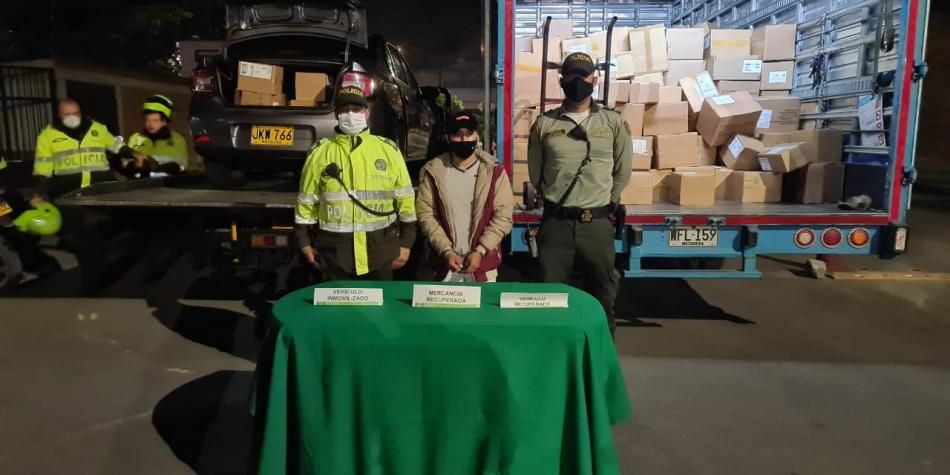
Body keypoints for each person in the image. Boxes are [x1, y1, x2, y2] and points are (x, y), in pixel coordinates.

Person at [527, 52, 633, 332]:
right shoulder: (545, 124)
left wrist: (605, 202)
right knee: (548, 300)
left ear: (594, 80)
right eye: (571, 75)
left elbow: (622, 171)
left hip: (596, 226)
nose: (577, 81)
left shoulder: (613, 122)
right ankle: (553, 355)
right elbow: (536, 173)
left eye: (583, 75)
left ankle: (600, 355)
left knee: (602, 299)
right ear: (562, 80)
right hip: (556, 225)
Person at [294, 86, 417, 280]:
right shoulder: (319, 153)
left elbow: (406, 201)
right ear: (337, 114)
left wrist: (406, 244)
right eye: (344, 109)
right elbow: (306, 202)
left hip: (380, 254)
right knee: (335, 302)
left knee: (380, 301)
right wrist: (304, 242)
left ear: (367, 113)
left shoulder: (388, 150)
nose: (350, 114)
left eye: (356, 109)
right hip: (335, 256)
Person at [416, 111, 513, 282]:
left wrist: (480, 250)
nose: (464, 139)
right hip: (444, 268)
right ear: (448, 137)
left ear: (477, 135)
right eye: (457, 134)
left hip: (483, 268)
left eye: (469, 134)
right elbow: (426, 215)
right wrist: (446, 250)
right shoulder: (433, 171)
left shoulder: (495, 172)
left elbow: (503, 217)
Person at [33, 99, 124, 198]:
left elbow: (117, 147)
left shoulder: (97, 128)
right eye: (67, 114)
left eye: (76, 113)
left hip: (101, 189)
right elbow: (43, 170)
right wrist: (39, 193)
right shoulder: (47, 135)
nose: (72, 117)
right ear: (58, 115)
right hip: (67, 192)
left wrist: (133, 154)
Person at [123, 95, 189, 178]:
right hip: (140, 183)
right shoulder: (135, 138)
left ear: (164, 122)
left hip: (167, 183)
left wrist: (155, 166)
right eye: (147, 120)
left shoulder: (177, 139)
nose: (150, 125)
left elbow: (181, 165)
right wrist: (137, 165)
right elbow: (126, 165)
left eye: (155, 120)